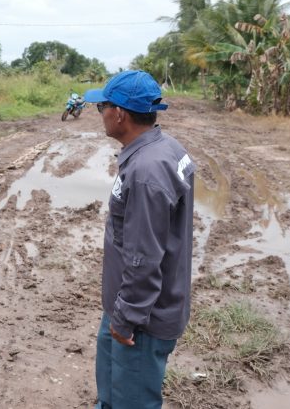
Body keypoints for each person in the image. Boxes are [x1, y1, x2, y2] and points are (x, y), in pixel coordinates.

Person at [82, 70, 196, 409]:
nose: (100, 113)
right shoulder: (163, 148)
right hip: (126, 306)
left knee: (131, 401)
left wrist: (126, 318)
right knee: (111, 394)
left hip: (140, 318)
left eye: (101, 105)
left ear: (119, 113)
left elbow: (143, 256)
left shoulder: (147, 171)